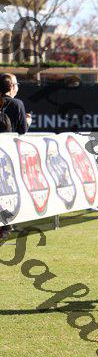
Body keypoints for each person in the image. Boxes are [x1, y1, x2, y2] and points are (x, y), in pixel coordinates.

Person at [0, 73, 29, 242]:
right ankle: (7, 224)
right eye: (16, 84)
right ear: (11, 86)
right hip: (8, 156)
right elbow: (23, 131)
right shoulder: (17, 104)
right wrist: (28, 122)